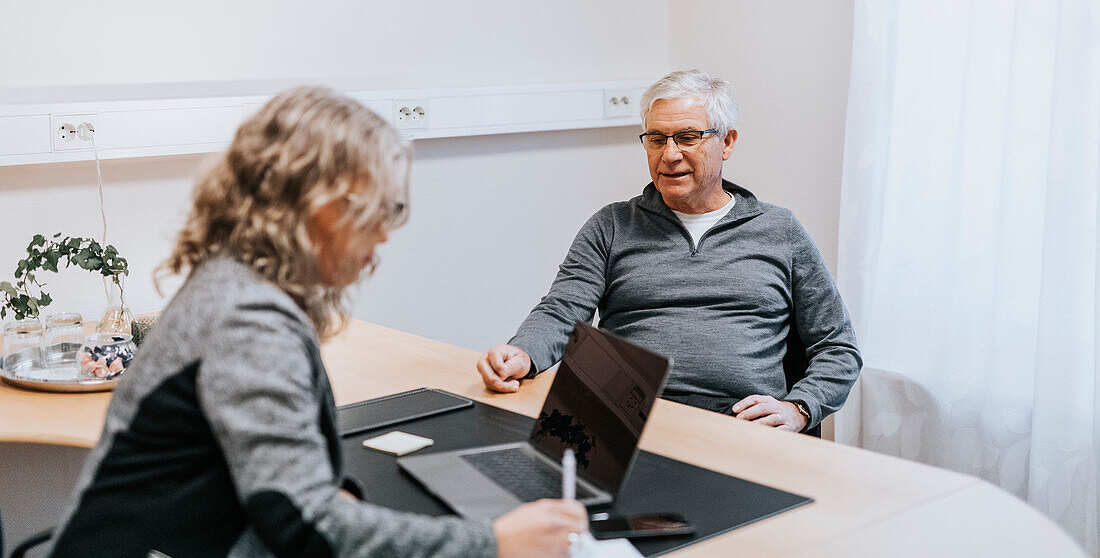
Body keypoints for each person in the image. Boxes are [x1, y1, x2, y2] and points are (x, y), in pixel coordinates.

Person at [48, 88, 586, 558]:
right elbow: (307, 529)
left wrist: (331, 494)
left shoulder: (233, 282)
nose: (386, 234)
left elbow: (280, 493)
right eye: (385, 210)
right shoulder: (247, 320)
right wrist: (495, 545)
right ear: (324, 207)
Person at [477, 70, 861, 434]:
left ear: (726, 142)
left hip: (739, 425)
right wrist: (523, 354)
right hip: (623, 421)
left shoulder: (779, 231)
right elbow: (561, 311)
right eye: (657, 139)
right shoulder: (611, 225)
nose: (669, 154)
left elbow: (838, 347)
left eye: (688, 137)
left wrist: (799, 408)